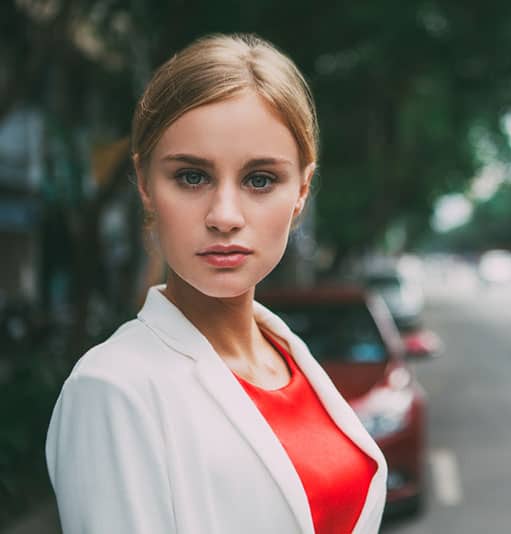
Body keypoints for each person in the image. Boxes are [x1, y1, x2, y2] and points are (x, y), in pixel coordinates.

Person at [45, 34, 387, 534]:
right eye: (190, 177)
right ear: (144, 183)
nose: (224, 216)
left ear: (302, 191)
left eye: (260, 180)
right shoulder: (113, 388)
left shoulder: (287, 355)